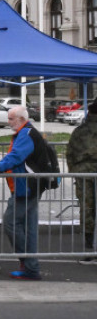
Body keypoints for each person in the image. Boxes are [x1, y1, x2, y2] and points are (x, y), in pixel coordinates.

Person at [0, 105, 42, 280]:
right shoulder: (28, 132)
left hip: (26, 186)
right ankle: (31, 267)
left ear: (21, 119)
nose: (8, 122)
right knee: (29, 226)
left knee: (10, 222)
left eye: (11, 119)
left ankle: (28, 262)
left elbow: (16, 155)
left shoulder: (26, 134)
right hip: (30, 185)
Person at [66, 100, 97, 264]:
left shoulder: (79, 131)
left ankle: (88, 246)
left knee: (86, 208)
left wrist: (74, 171)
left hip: (82, 172)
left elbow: (69, 152)